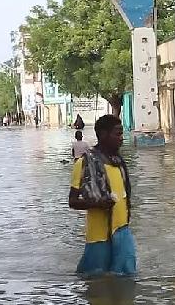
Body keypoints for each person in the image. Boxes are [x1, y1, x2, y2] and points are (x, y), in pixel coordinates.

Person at [69, 114, 136, 276]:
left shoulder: (118, 162)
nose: (121, 138)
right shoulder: (84, 163)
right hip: (98, 237)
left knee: (127, 279)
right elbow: (72, 201)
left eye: (122, 134)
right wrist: (97, 203)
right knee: (95, 282)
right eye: (117, 134)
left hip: (122, 232)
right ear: (103, 135)